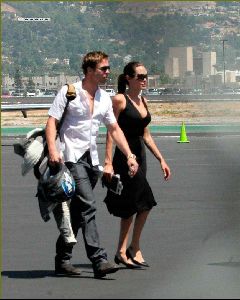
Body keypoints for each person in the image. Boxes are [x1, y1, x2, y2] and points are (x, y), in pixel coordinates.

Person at [45, 51, 139, 278]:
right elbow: (51, 122)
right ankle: (99, 260)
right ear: (89, 70)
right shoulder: (69, 92)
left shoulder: (104, 98)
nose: (108, 72)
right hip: (70, 158)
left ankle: (62, 259)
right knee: (88, 205)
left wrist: (129, 155)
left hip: (92, 161)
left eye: (108, 68)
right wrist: (53, 150)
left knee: (78, 214)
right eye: (103, 68)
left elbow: (114, 128)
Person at [103, 61, 171, 269]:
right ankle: (132, 247)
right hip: (125, 158)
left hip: (140, 156)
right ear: (128, 78)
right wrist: (108, 162)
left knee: (134, 205)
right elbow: (111, 131)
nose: (144, 80)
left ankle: (123, 250)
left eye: (145, 76)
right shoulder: (119, 100)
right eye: (140, 76)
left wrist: (161, 159)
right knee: (145, 202)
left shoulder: (144, 101)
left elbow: (146, 135)